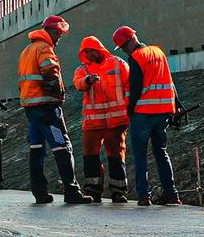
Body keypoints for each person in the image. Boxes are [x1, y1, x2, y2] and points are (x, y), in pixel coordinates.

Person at [17, 16, 83, 204]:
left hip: (31, 108)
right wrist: (56, 90)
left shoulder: (27, 50)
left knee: (36, 149)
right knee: (63, 147)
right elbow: (49, 71)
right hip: (47, 108)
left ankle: (39, 192)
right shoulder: (44, 48)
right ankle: (72, 192)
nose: (59, 37)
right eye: (58, 33)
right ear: (51, 31)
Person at [114, 26, 179, 206]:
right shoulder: (159, 52)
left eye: (124, 47)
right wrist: (177, 105)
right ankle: (171, 193)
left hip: (143, 113)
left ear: (131, 41)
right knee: (161, 152)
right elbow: (170, 81)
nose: (124, 50)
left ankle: (144, 195)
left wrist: (129, 109)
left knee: (140, 155)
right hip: (163, 112)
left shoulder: (136, 58)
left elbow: (135, 88)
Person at [75, 34, 130, 203]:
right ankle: (92, 190)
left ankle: (119, 191)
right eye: (86, 52)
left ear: (98, 49)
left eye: (91, 51)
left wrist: (129, 109)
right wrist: (88, 81)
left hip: (116, 121)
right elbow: (78, 83)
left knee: (116, 155)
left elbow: (129, 85)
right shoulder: (82, 70)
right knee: (90, 155)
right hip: (93, 122)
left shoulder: (118, 63)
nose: (89, 55)